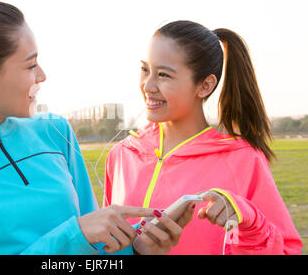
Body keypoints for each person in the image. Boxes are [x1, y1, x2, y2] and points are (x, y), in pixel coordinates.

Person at [0, 0, 193, 255]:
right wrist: (74, 235)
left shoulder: (55, 131)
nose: (41, 75)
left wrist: (136, 251)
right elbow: (80, 237)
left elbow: (96, 252)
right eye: (30, 65)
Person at [104, 20, 303, 254]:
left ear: (205, 86)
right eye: (145, 69)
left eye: (164, 75)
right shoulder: (122, 155)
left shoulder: (245, 160)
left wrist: (249, 221)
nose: (148, 86)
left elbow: (287, 249)